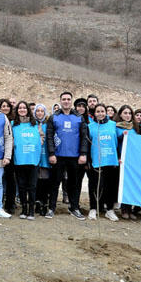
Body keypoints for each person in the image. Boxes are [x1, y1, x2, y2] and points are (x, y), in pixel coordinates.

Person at [46, 92, 88, 220]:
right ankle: (51, 208)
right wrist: (52, 153)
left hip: (74, 157)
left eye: (68, 99)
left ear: (71, 101)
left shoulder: (79, 118)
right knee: (54, 183)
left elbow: (84, 138)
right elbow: (49, 137)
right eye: (63, 99)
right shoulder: (54, 117)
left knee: (74, 183)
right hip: (58, 156)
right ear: (60, 101)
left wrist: (83, 154)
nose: (66, 101)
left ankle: (74, 207)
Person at [83, 103, 119, 221]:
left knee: (110, 187)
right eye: (98, 111)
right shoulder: (90, 127)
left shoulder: (113, 125)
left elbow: (121, 139)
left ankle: (109, 209)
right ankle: (93, 208)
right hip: (97, 161)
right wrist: (87, 160)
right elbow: (87, 144)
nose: (100, 114)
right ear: (94, 114)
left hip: (111, 161)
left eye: (102, 111)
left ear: (106, 112)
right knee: (96, 186)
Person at [11, 101, 41, 220]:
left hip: (32, 159)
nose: (22, 110)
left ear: (28, 110)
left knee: (32, 186)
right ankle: (24, 209)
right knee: (22, 185)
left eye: (24, 108)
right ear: (17, 110)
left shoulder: (35, 124)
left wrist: (37, 144)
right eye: (20, 108)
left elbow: (41, 137)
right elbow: (10, 139)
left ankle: (31, 210)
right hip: (20, 159)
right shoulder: (13, 124)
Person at [114, 105, 137, 219]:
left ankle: (130, 209)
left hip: (133, 160)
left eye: (129, 113)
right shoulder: (116, 126)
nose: (127, 115)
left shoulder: (135, 127)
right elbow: (115, 142)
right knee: (123, 185)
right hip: (121, 160)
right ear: (120, 114)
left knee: (132, 184)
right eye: (125, 113)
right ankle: (123, 209)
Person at [0, 99, 17, 215]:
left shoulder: (14, 121)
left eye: (7, 106)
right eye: (3, 106)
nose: (5, 108)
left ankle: (10, 202)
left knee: (10, 178)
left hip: (11, 152)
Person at [33, 104, 51, 216]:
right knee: (36, 181)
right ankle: (37, 202)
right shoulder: (32, 124)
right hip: (35, 155)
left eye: (42, 111)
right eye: (37, 111)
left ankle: (44, 202)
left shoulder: (48, 124)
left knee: (45, 179)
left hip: (46, 155)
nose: (40, 113)